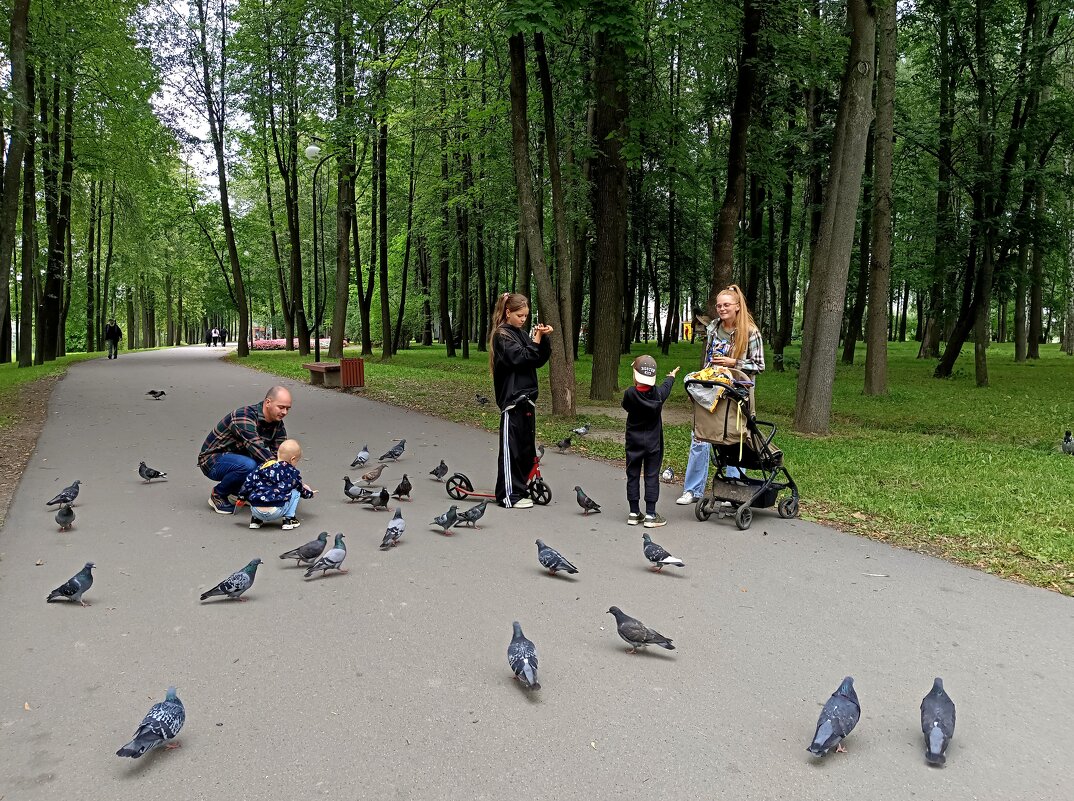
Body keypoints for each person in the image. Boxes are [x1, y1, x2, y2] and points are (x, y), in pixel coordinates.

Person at [677, 284, 765, 505]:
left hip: (737, 393)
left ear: (737, 306)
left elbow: (759, 365)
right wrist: (699, 383)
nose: (722, 309)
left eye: (726, 305)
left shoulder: (751, 332)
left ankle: (731, 491)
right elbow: (709, 359)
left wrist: (733, 362)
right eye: (719, 305)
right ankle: (693, 490)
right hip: (712, 390)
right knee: (700, 437)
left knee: (733, 439)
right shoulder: (713, 328)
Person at [489, 292, 551, 509]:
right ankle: (508, 495)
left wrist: (543, 339)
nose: (523, 319)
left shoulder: (521, 334)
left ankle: (521, 488)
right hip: (512, 400)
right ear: (508, 312)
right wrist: (535, 341)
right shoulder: (502, 336)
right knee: (511, 450)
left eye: (526, 316)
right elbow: (521, 358)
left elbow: (537, 358)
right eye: (519, 315)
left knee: (525, 450)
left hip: (527, 400)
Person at [198, 386, 293, 514]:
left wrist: (293, 480)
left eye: (288, 408)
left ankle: (237, 491)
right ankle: (218, 494)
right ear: (268, 402)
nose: (285, 412)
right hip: (212, 461)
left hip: (240, 458)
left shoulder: (277, 424)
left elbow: (280, 454)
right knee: (251, 465)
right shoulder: (243, 416)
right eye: (281, 407)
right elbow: (256, 447)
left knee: (268, 467)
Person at [623, 355, 679, 527]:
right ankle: (650, 515)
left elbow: (625, 406)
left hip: (633, 442)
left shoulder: (630, 394)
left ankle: (633, 513)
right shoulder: (658, 395)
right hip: (653, 443)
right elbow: (666, 388)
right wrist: (671, 377)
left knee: (632, 475)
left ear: (635, 375)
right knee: (651, 476)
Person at [238, 438, 316, 531]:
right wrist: (310, 494)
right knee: (295, 492)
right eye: (297, 461)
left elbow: (249, 482)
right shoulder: (291, 471)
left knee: (256, 487)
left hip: (256, 509)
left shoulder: (263, 466)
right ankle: (289, 519)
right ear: (293, 459)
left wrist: (241, 497)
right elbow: (300, 488)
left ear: (278, 453)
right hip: (275, 511)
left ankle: (255, 520)